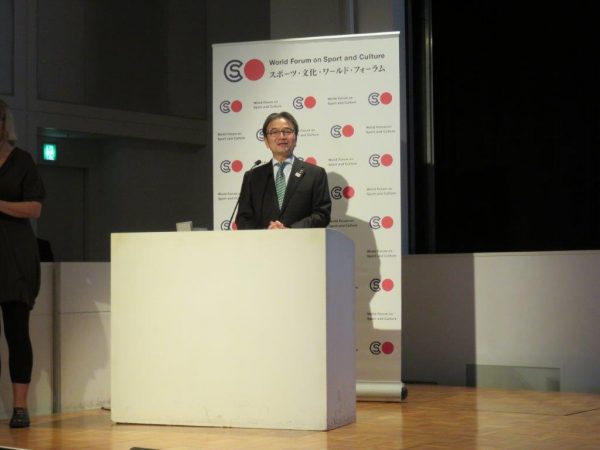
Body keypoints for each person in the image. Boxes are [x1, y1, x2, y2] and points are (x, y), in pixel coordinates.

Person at [0, 99, 45, 428]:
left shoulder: (23, 161)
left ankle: (20, 407)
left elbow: (34, 209)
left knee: (17, 334)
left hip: (15, 256)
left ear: (6, 124)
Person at [235, 111, 331, 230]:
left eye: (287, 131)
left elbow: (322, 215)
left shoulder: (315, 174)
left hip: (301, 240)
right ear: (266, 141)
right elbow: (243, 218)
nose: (281, 136)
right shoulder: (252, 176)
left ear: (295, 137)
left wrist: (289, 230)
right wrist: (266, 232)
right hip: (263, 241)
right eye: (274, 132)